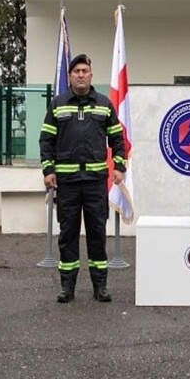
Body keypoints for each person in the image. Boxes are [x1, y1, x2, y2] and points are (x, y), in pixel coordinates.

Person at [40, 54, 127, 303]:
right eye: (76, 70)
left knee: (97, 233)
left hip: (95, 182)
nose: (80, 74)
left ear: (91, 75)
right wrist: (48, 170)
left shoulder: (103, 104)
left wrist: (119, 166)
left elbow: (118, 139)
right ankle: (67, 287)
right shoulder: (57, 104)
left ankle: (100, 287)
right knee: (67, 234)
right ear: (69, 76)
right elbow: (46, 140)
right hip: (66, 183)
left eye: (84, 70)